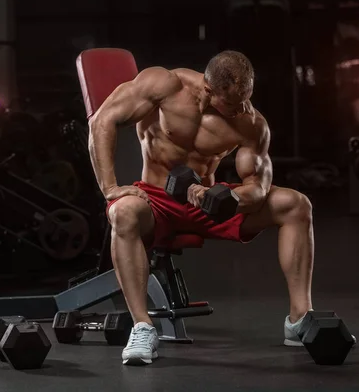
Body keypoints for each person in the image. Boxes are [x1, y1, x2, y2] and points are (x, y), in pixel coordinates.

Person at [89, 50, 339, 365]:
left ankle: (300, 319)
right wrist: (110, 188)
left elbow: (258, 187)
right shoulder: (164, 84)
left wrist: (230, 197)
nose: (243, 108)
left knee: (295, 204)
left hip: (208, 202)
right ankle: (143, 327)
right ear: (209, 90)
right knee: (121, 212)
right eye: (233, 103)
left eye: (246, 98)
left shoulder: (251, 122)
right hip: (156, 200)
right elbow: (102, 121)